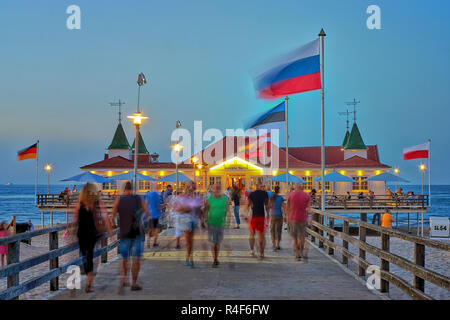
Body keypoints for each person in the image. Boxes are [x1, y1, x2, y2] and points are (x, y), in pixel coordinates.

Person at [72, 183, 112, 293]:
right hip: (93, 233)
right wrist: (110, 231)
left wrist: (71, 234)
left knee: (85, 257)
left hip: (82, 234)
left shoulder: (79, 204)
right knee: (91, 256)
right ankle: (90, 280)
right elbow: (105, 216)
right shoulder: (97, 202)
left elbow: (74, 220)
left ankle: (89, 277)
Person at [112, 181, 148, 292]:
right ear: (132, 189)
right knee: (136, 259)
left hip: (124, 233)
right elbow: (147, 212)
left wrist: (114, 225)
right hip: (137, 232)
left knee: (125, 258)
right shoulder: (138, 199)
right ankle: (134, 283)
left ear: (124, 189)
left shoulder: (119, 200)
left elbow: (112, 216)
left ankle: (124, 280)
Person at [173, 181, 203, 268]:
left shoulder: (196, 198)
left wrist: (202, 220)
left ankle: (187, 258)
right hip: (185, 221)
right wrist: (186, 209)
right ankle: (191, 259)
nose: (191, 189)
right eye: (190, 187)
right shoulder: (181, 197)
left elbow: (199, 211)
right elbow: (176, 209)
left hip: (193, 220)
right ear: (186, 187)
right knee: (188, 241)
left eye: (193, 188)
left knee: (190, 241)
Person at [204, 184, 228, 267]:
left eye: (218, 188)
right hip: (211, 223)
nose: (217, 190)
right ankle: (214, 259)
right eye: (215, 188)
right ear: (212, 190)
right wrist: (204, 221)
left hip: (220, 223)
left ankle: (216, 257)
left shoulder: (225, 199)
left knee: (217, 242)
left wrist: (228, 221)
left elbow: (227, 210)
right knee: (213, 242)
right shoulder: (209, 199)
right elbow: (205, 210)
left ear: (220, 189)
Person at [287, 183, 311, 261]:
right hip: (303, 218)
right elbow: (309, 209)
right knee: (302, 236)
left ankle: (297, 254)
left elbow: (288, 207)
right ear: (302, 187)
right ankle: (301, 251)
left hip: (293, 218)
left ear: (296, 187)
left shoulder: (291, 195)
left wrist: (287, 217)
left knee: (294, 237)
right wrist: (310, 218)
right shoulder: (307, 196)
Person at [246, 183, 269, 260]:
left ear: (255, 186)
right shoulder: (265, 193)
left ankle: (252, 251)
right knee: (261, 235)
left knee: (252, 234)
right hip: (262, 216)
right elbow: (267, 205)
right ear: (261, 186)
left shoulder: (251, 194)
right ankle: (261, 252)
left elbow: (248, 205)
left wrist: (245, 214)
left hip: (254, 216)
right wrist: (268, 214)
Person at [269, 186, 285, 251]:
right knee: (278, 230)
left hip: (273, 216)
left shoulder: (271, 198)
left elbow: (269, 206)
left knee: (272, 231)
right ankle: (277, 245)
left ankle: (273, 245)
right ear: (279, 191)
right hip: (279, 216)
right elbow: (284, 206)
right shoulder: (281, 198)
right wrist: (286, 215)